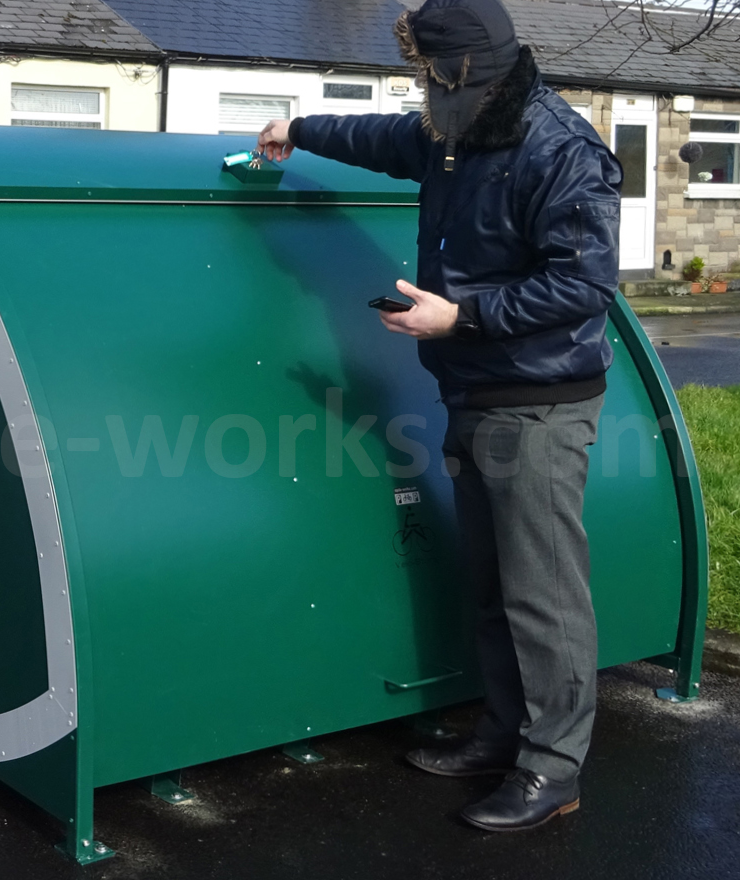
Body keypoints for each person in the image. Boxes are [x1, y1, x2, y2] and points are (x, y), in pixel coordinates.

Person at [258, 0, 622, 832]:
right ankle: (504, 733)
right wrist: (299, 129)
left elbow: (585, 284)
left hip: (537, 401)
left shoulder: (559, 149)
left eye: (426, 74)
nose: (417, 90)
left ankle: (553, 768)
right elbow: (389, 140)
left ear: (463, 73)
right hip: (475, 391)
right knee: (492, 585)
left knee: (543, 595)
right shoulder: (456, 127)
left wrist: (461, 318)